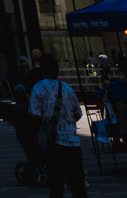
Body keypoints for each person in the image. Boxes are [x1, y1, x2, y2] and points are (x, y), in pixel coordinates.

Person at [27, 55, 86, 198]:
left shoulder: (39, 88)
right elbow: (78, 114)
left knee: (56, 187)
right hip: (72, 144)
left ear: (43, 70)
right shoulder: (67, 88)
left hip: (54, 144)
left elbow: (34, 114)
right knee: (78, 187)